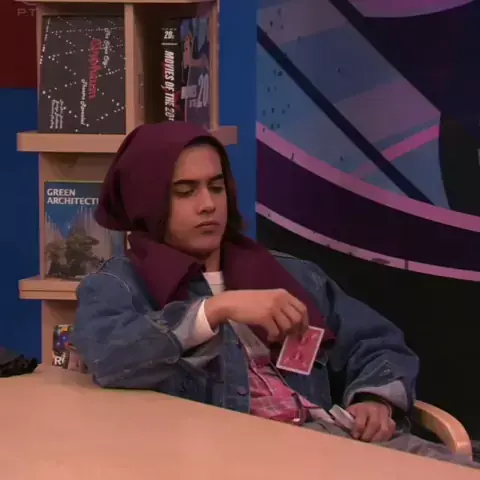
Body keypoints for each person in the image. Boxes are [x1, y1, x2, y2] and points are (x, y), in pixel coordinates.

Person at [72, 121, 478, 469]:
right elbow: (111, 358)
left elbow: (376, 343)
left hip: (336, 446)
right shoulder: (118, 285)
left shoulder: (290, 273)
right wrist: (215, 309)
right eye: (185, 191)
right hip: (229, 462)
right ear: (149, 200)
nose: (208, 205)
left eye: (216, 187)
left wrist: (375, 399)